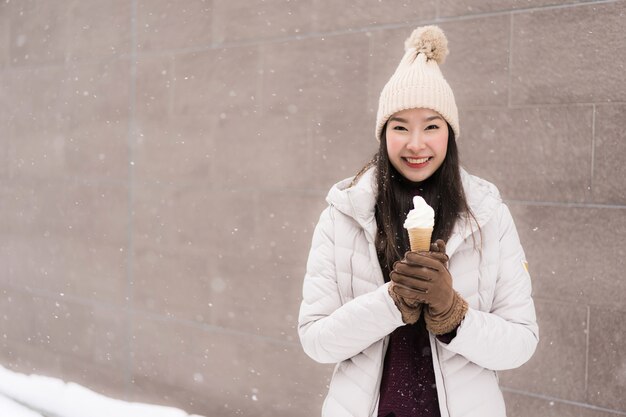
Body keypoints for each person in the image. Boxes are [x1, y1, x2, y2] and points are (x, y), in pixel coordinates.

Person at [297, 25, 539, 417]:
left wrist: (453, 315)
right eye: (399, 127)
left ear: (449, 133)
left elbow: (521, 342)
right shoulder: (343, 216)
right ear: (383, 134)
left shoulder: (487, 215)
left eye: (431, 126)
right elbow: (316, 340)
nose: (415, 143)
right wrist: (390, 303)